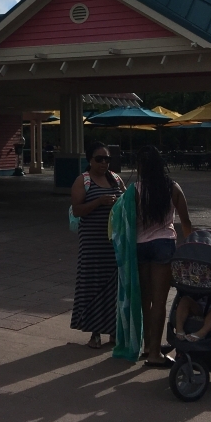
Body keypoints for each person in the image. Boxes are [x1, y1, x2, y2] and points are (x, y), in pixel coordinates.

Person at [135, 145, 193, 367]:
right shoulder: (173, 187)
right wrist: (190, 247)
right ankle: (155, 353)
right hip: (164, 245)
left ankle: (147, 345)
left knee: (145, 300)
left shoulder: (135, 190)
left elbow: (128, 221)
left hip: (140, 246)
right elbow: (186, 221)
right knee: (159, 301)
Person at [70, 141, 125, 349]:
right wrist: (99, 202)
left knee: (114, 287)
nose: (104, 163)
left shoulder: (116, 179)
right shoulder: (83, 181)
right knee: (92, 285)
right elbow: (77, 210)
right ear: (90, 160)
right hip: (92, 244)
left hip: (114, 243)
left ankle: (113, 330)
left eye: (107, 159)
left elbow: (127, 201)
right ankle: (94, 333)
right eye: (99, 159)